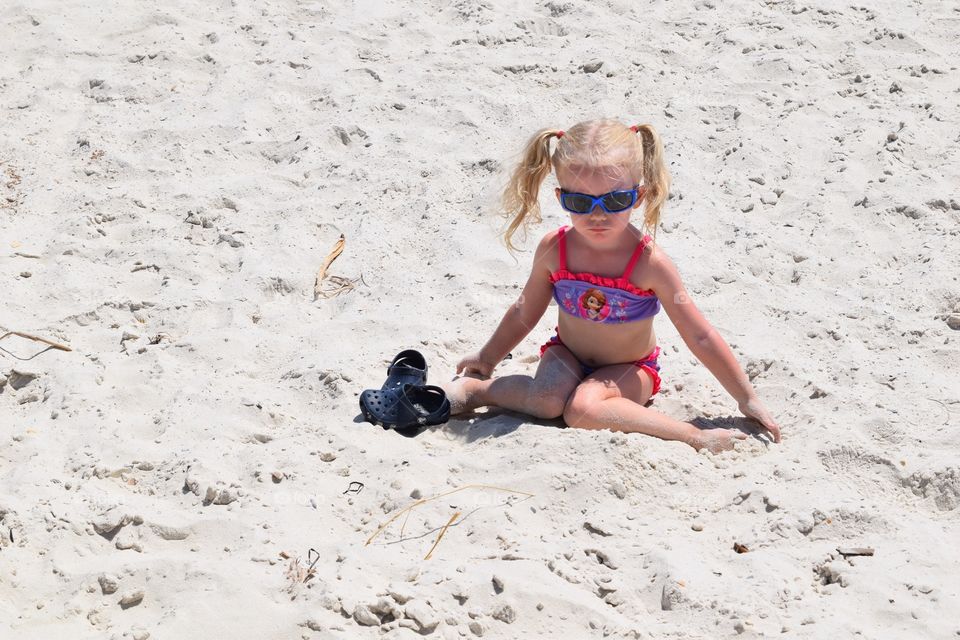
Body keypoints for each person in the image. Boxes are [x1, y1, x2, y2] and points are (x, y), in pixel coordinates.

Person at [443, 119, 782, 453]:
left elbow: (700, 335)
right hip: (566, 354)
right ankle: (479, 390)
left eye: (614, 201)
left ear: (638, 196)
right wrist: (487, 358)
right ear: (561, 197)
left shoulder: (649, 263)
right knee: (546, 402)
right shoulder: (554, 249)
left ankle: (690, 435)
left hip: (631, 369)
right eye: (580, 202)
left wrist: (746, 398)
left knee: (582, 410)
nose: (598, 214)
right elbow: (524, 311)